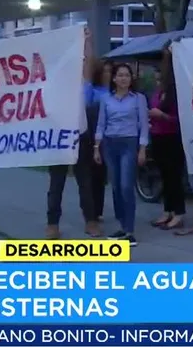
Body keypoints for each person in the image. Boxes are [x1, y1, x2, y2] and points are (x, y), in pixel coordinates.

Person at [45, 56, 103, 240]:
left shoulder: (81, 85)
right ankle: (52, 224)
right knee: (56, 184)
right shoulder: (51, 90)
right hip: (58, 140)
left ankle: (91, 221)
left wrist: (86, 42)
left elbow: (89, 66)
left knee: (85, 183)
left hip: (81, 137)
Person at [94, 62, 149, 246]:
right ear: (115, 79)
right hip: (110, 144)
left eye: (127, 75)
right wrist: (96, 147)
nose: (124, 78)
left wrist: (142, 149)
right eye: (120, 75)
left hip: (129, 144)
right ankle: (122, 225)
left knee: (126, 186)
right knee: (116, 186)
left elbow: (143, 126)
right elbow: (101, 124)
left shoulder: (138, 99)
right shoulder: (106, 99)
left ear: (131, 79)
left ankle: (130, 231)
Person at [149, 46, 186, 230]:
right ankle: (168, 210)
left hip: (172, 138)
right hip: (157, 138)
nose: (157, 80)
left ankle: (179, 212)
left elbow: (181, 119)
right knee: (164, 176)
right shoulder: (157, 94)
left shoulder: (175, 93)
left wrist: (162, 116)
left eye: (160, 76)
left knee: (174, 176)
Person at [89, 63, 113, 222]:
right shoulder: (93, 91)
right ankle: (91, 211)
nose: (108, 74)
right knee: (91, 175)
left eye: (110, 71)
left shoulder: (114, 93)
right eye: (105, 71)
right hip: (92, 136)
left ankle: (98, 210)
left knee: (101, 175)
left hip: (109, 138)